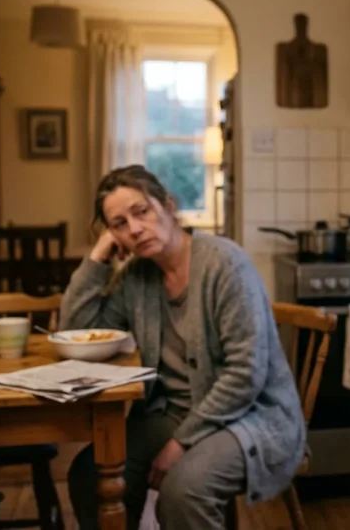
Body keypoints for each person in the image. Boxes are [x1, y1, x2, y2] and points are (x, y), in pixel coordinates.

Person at [61, 165, 305, 529]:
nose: (134, 229)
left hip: (250, 417)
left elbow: (245, 374)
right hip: (171, 413)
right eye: (119, 224)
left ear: (169, 205)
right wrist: (97, 258)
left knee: (183, 491)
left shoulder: (225, 264)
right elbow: (77, 334)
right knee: (88, 474)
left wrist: (180, 443)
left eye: (141, 211)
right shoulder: (136, 277)